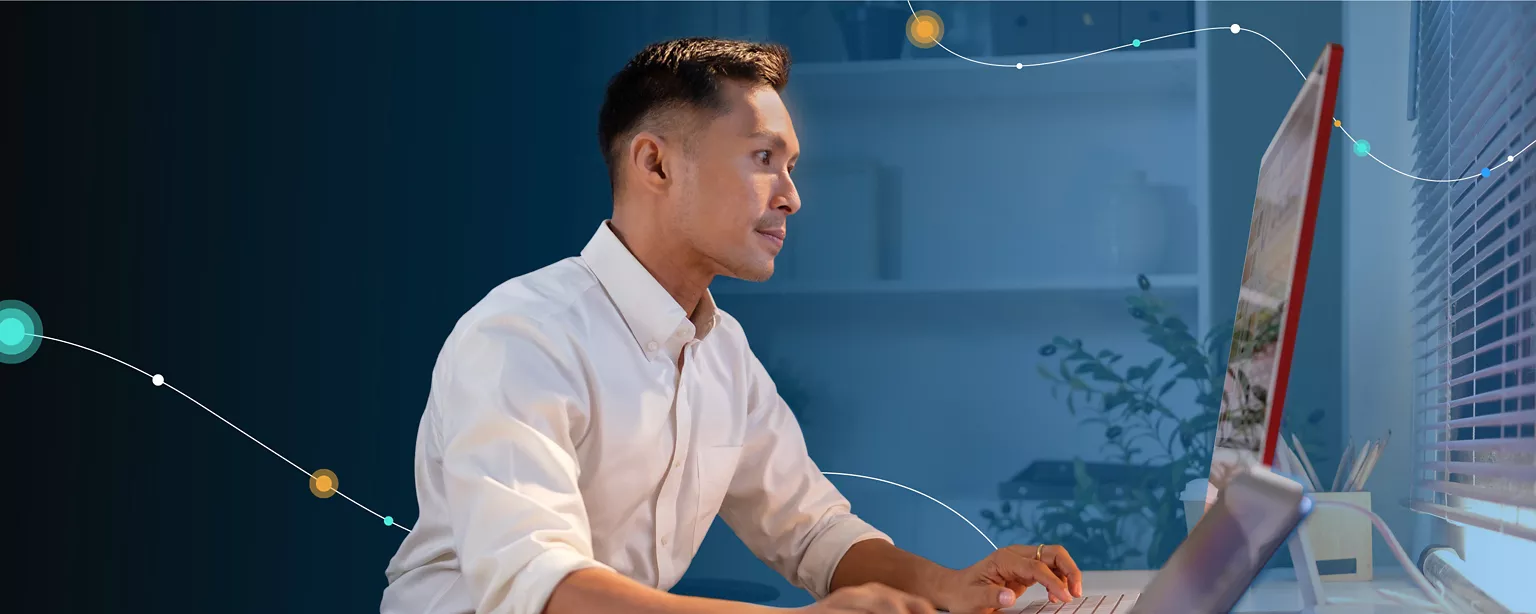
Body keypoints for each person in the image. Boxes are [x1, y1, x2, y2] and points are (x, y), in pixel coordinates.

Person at [381, 37, 1084, 614]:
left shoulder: (722, 351)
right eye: (762, 159)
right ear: (654, 163)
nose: (792, 196)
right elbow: (546, 590)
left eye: (791, 166)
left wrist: (951, 585)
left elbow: (813, 532)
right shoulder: (520, 336)